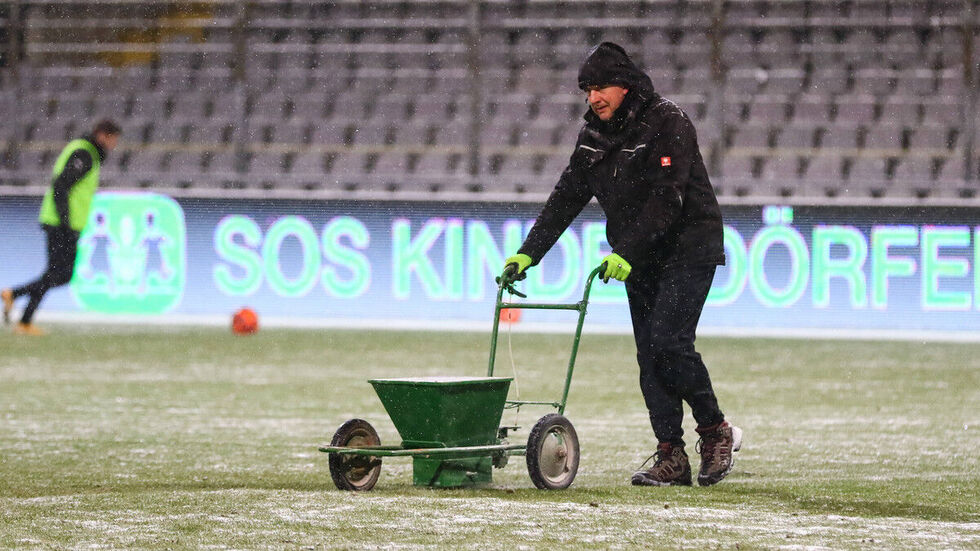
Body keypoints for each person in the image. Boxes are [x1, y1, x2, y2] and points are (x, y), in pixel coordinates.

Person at [501, 43, 741, 487]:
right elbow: (566, 197)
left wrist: (625, 252)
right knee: (650, 355)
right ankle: (671, 455)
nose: (593, 97)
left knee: (670, 344)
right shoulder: (592, 134)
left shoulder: (669, 120)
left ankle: (715, 431)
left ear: (626, 86)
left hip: (689, 247)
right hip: (639, 255)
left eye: (600, 87)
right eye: (587, 90)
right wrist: (528, 253)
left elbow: (668, 199)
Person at [2, 119, 121, 336]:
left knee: (55, 274)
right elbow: (61, 185)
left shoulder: (85, 152)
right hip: (61, 224)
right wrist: (65, 221)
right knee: (61, 275)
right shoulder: (84, 154)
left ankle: (22, 315)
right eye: (113, 139)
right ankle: (17, 301)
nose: (114, 144)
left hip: (63, 222)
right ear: (103, 135)